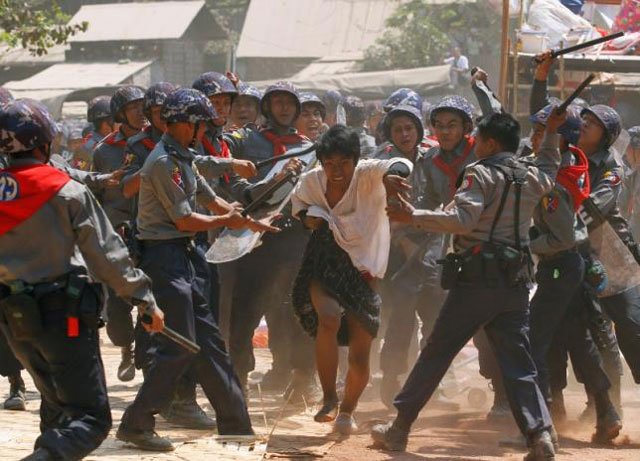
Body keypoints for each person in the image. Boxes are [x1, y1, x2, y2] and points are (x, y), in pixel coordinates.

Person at [372, 110, 566, 460]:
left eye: (478, 138)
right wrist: (552, 132)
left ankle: (399, 429)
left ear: (490, 143)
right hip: (516, 283)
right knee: (518, 363)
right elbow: (551, 162)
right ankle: (540, 436)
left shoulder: (480, 173)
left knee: (437, 352)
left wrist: (412, 216)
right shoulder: (533, 175)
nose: (473, 143)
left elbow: (462, 220)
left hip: (476, 281)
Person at [0, 98, 164, 461]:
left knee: (57, 407)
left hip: (15, 319)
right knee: (90, 417)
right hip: (64, 318)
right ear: (45, 141)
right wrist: (144, 300)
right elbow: (107, 256)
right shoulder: (65, 190)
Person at [116, 88, 276, 451]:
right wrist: (226, 218)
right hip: (163, 259)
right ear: (184, 125)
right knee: (180, 346)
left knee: (210, 344)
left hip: (185, 258)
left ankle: (236, 425)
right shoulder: (160, 163)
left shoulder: (183, 156)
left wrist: (246, 222)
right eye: (199, 124)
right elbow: (185, 219)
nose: (202, 130)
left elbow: (209, 196)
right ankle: (137, 423)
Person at [291, 125, 412, 434]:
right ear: (321, 163)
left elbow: (401, 165)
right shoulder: (311, 181)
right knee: (328, 319)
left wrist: (390, 178)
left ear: (355, 160)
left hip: (365, 269)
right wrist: (308, 219)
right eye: (329, 164)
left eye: (344, 163)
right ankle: (329, 397)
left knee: (360, 350)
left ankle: (347, 410)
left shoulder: (370, 173)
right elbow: (299, 209)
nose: (336, 170)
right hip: (324, 260)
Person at [527, 104, 622, 442]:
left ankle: (541, 423)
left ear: (562, 140)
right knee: (577, 340)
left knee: (536, 338)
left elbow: (562, 236)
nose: (535, 138)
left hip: (561, 264)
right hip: (573, 265)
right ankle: (605, 409)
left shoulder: (555, 176)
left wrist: (529, 243)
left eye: (543, 133)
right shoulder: (565, 164)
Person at [223, 81, 318, 399]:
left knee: (299, 307)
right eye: (277, 102)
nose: (284, 108)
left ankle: (304, 377)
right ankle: (238, 376)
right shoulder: (244, 139)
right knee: (246, 306)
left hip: (294, 237)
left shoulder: (307, 147)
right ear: (267, 107)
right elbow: (223, 163)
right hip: (254, 235)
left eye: (289, 102)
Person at [374, 105, 447, 408]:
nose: (405, 134)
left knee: (434, 322)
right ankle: (390, 378)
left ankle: (432, 384)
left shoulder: (436, 158)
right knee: (400, 320)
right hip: (398, 253)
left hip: (433, 247)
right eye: (398, 129)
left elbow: (447, 202)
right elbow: (377, 210)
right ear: (390, 134)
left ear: (419, 130)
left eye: (409, 128)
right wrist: (403, 241)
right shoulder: (382, 163)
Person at [92, 85, 147, 382]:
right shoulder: (104, 150)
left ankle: (145, 354)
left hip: (150, 230)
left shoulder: (156, 142)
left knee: (151, 296)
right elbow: (96, 195)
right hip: (116, 233)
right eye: (133, 108)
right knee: (117, 302)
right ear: (120, 114)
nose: (140, 113)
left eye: (143, 106)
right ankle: (126, 347)